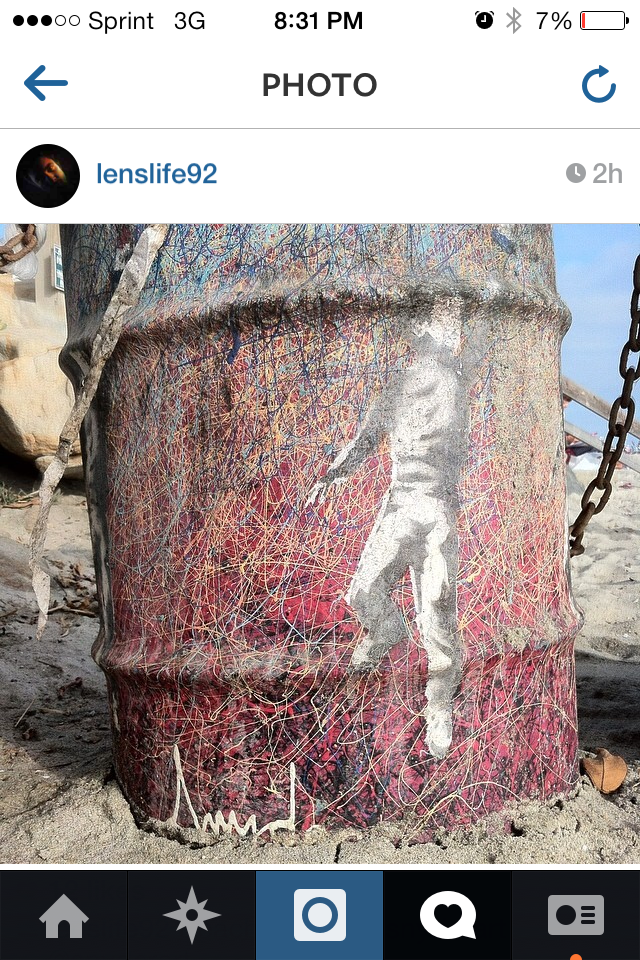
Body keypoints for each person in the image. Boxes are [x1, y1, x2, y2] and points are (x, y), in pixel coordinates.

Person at [307, 299, 467, 758]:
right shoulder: (399, 386)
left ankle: (439, 706)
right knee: (362, 592)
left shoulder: (457, 382)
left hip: (437, 512)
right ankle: (387, 630)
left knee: (437, 616)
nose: (454, 331)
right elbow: (365, 439)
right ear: (421, 328)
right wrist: (330, 476)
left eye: (456, 322)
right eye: (446, 321)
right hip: (400, 506)